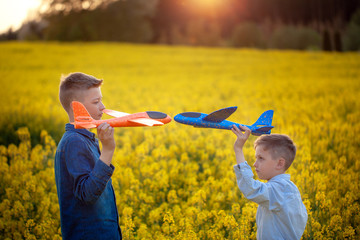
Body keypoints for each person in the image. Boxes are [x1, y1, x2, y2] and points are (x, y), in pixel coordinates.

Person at [55, 72, 122, 239]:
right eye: (96, 102)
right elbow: (88, 194)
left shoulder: (84, 139)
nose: (103, 107)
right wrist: (107, 150)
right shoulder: (74, 142)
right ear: (75, 106)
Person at [231, 125, 307, 240]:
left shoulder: (282, 189)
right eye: (256, 158)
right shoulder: (284, 188)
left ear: (280, 164)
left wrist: (238, 149)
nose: (255, 164)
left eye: (261, 158)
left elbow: (251, 188)